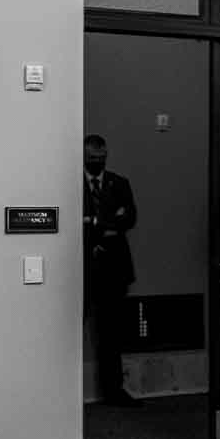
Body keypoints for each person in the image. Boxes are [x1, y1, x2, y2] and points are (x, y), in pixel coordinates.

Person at [82, 133, 138, 406]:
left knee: (111, 334)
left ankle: (114, 390)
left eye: (101, 158)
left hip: (114, 269)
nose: (97, 162)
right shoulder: (72, 183)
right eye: (92, 158)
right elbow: (72, 223)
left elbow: (129, 218)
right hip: (80, 267)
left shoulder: (119, 183)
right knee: (67, 329)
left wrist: (94, 224)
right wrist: (105, 225)